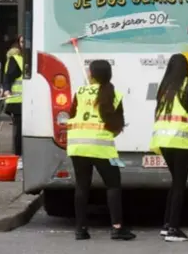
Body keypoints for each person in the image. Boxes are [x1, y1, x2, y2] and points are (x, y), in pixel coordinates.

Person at [67, 60, 136, 241]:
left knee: (82, 185)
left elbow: (71, 114)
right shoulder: (113, 94)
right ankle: (117, 228)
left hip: (77, 144)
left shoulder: (80, 92)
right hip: (101, 146)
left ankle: (80, 229)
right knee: (113, 184)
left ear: (91, 74)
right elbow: (117, 124)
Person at [150, 53, 188, 242]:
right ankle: (173, 229)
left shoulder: (164, 88)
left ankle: (166, 225)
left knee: (175, 182)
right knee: (179, 185)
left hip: (163, 141)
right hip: (180, 141)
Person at [3, 35, 24, 169]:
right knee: (20, 130)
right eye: (22, 41)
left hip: (31, 101)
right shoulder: (16, 58)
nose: (24, 44)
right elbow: (7, 78)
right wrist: (6, 90)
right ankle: (20, 157)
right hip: (18, 101)